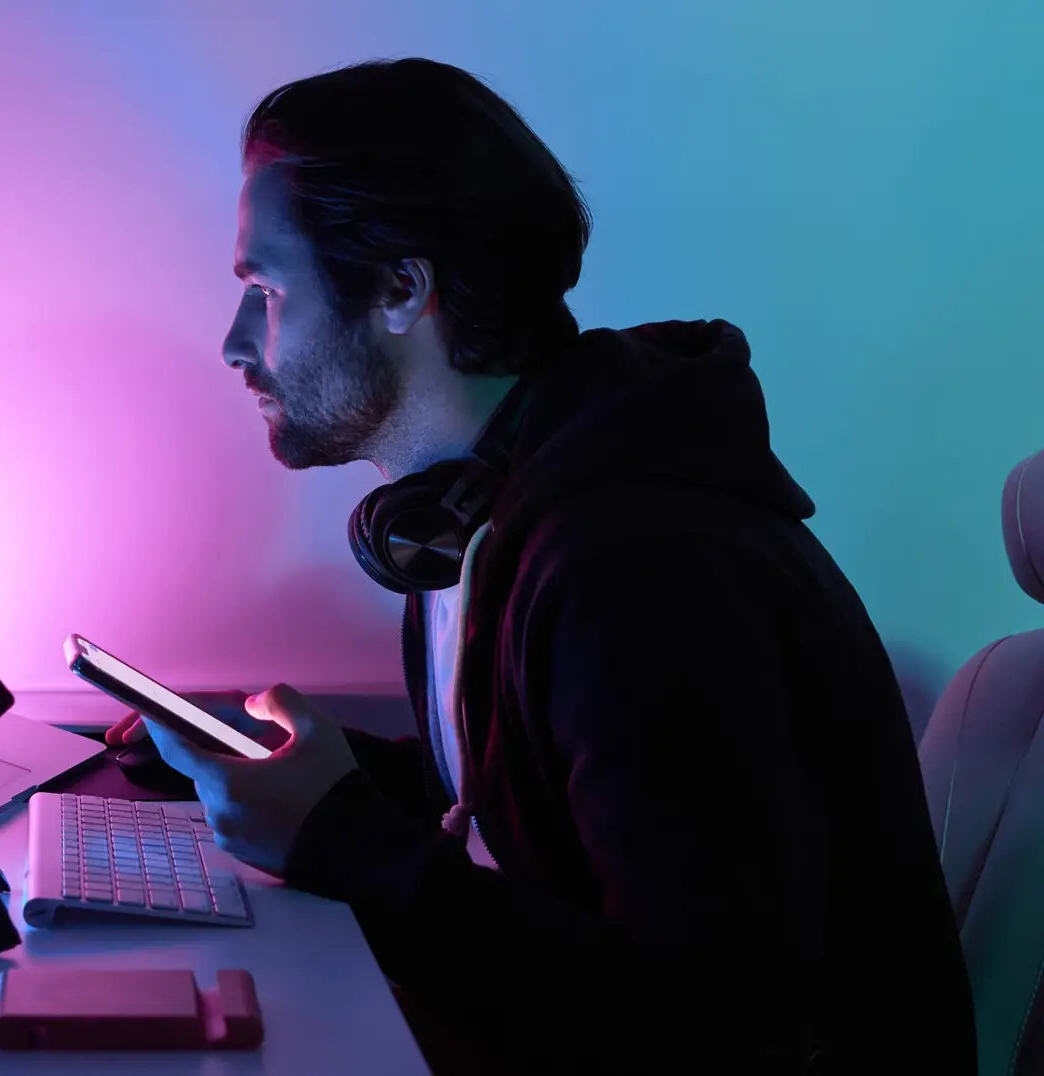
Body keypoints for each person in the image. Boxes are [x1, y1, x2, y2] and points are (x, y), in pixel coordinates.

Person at [108, 58, 974, 1074]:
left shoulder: (642, 564)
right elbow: (538, 811)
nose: (235, 343)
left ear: (401, 286)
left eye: (265, 289)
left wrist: (341, 836)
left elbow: (709, 1028)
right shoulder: (476, 516)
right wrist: (305, 768)